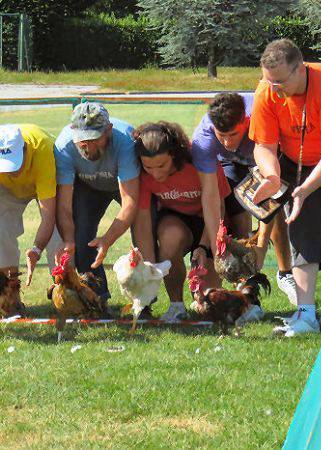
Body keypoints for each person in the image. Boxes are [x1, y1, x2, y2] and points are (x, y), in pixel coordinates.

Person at [250, 39, 321, 336]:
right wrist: (272, 176)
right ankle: (305, 314)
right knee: (302, 232)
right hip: (294, 163)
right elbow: (263, 145)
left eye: (279, 82)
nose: (274, 89)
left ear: (300, 69)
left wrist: (304, 190)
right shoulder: (267, 90)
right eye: (268, 81)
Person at [192, 92, 297, 303]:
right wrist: (215, 246)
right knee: (237, 215)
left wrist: (261, 244)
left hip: (268, 159)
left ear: (246, 121)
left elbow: (270, 200)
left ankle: (285, 273)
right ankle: (247, 294)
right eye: (221, 135)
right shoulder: (203, 139)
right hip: (229, 164)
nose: (227, 141)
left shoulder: (263, 119)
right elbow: (211, 196)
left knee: (275, 216)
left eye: (233, 134)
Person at [132, 122, 229, 322]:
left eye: (161, 165)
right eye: (148, 167)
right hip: (175, 219)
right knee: (170, 237)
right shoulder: (141, 174)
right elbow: (142, 222)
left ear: (175, 154)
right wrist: (151, 268)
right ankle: (176, 305)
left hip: (208, 220)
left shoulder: (200, 158)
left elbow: (218, 208)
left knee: (207, 304)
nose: (156, 173)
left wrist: (203, 246)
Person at [54, 102, 140, 304]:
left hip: (125, 183)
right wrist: (69, 241)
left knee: (145, 230)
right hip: (89, 186)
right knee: (81, 237)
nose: (86, 145)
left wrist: (107, 239)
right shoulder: (64, 145)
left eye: (93, 139)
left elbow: (130, 201)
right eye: (81, 139)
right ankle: (96, 299)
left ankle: (144, 302)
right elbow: (64, 207)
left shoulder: (125, 141)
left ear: (108, 130)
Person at [0, 124, 61, 286]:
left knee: (57, 233)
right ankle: (7, 288)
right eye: (3, 166)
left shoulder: (44, 150)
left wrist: (36, 250)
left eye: (14, 163)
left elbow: (50, 217)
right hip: (7, 189)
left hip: (43, 180)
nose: (9, 171)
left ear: (25, 149)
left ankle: (62, 287)